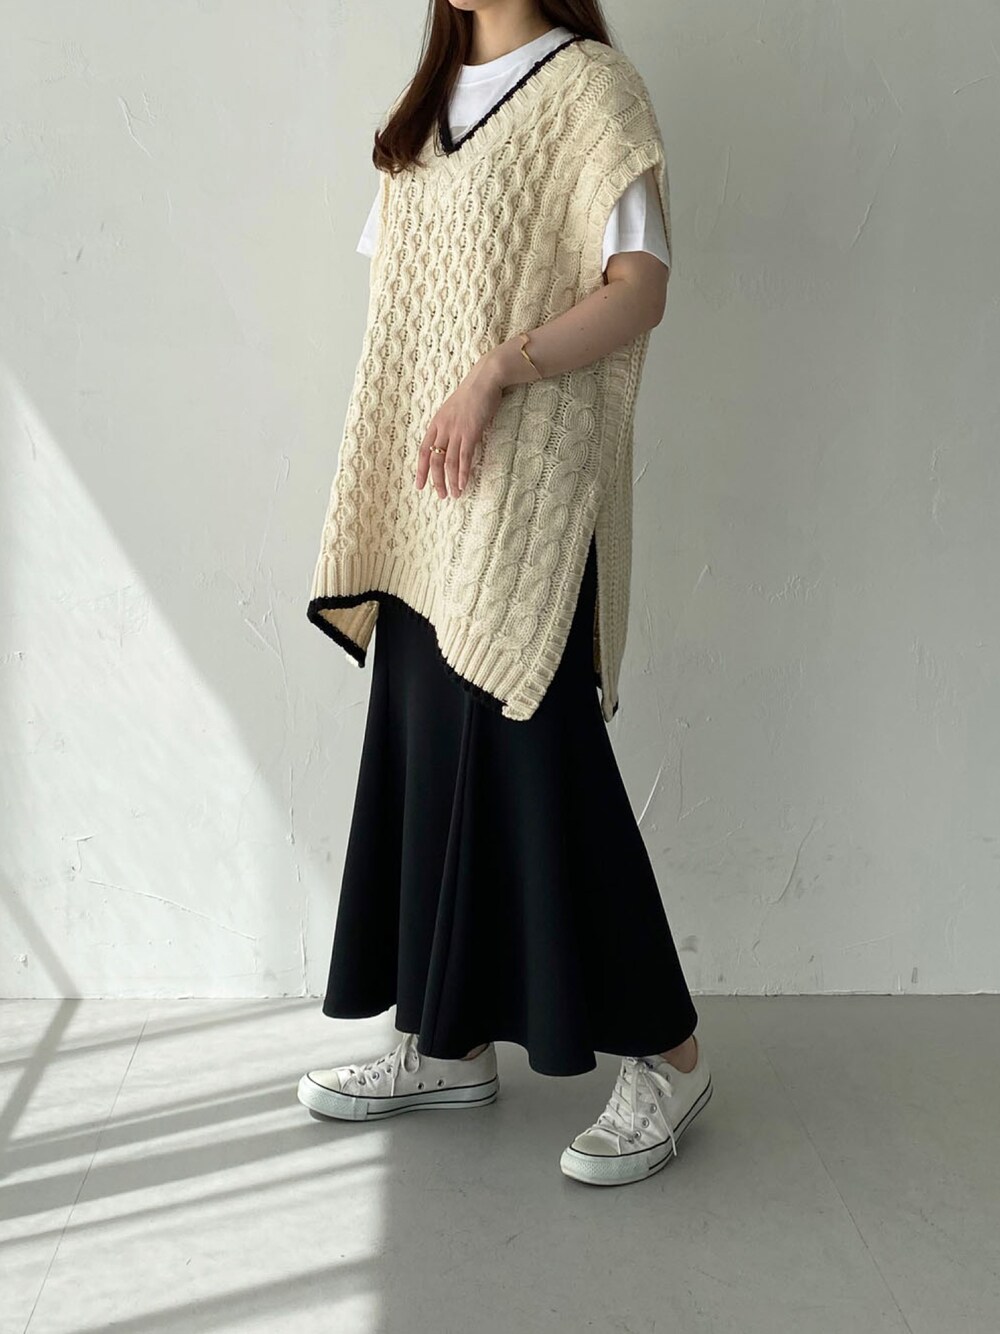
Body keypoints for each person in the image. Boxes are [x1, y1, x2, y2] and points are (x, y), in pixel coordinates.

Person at [297, 0, 713, 1188]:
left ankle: (673, 1052)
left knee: (543, 755)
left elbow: (640, 287)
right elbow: (401, 312)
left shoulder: (589, 91)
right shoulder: (424, 109)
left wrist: (498, 370)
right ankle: (450, 1042)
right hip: (426, 487)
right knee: (427, 749)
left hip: (526, 493)